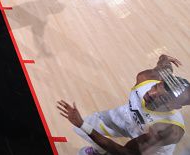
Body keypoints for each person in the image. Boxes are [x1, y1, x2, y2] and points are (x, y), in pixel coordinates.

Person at [57, 54, 189, 155]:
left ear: (177, 107)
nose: (151, 94)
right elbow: (164, 66)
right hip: (128, 116)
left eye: (163, 99)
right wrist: (165, 57)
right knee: (91, 124)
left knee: (87, 128)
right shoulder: (146, 77)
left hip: (150, 146)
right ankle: (100, 151)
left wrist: (82, 124)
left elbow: (126, 153)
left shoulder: (169, 130)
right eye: (155, 87)